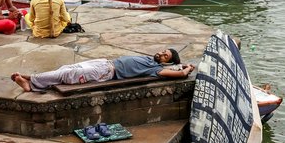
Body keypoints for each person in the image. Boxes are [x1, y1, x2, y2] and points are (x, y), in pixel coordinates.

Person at [11, 49, 194, 92]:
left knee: (69, 75)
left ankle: (31, 84)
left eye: (166, 56)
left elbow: (178, 74)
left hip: (107, 73)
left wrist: (187, 69)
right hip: (105, 63)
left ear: (167, 63)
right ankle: (33, 79)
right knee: (67, 68)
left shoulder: (157, 70)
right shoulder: (150, 58)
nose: (162, 54)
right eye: (164, 51)